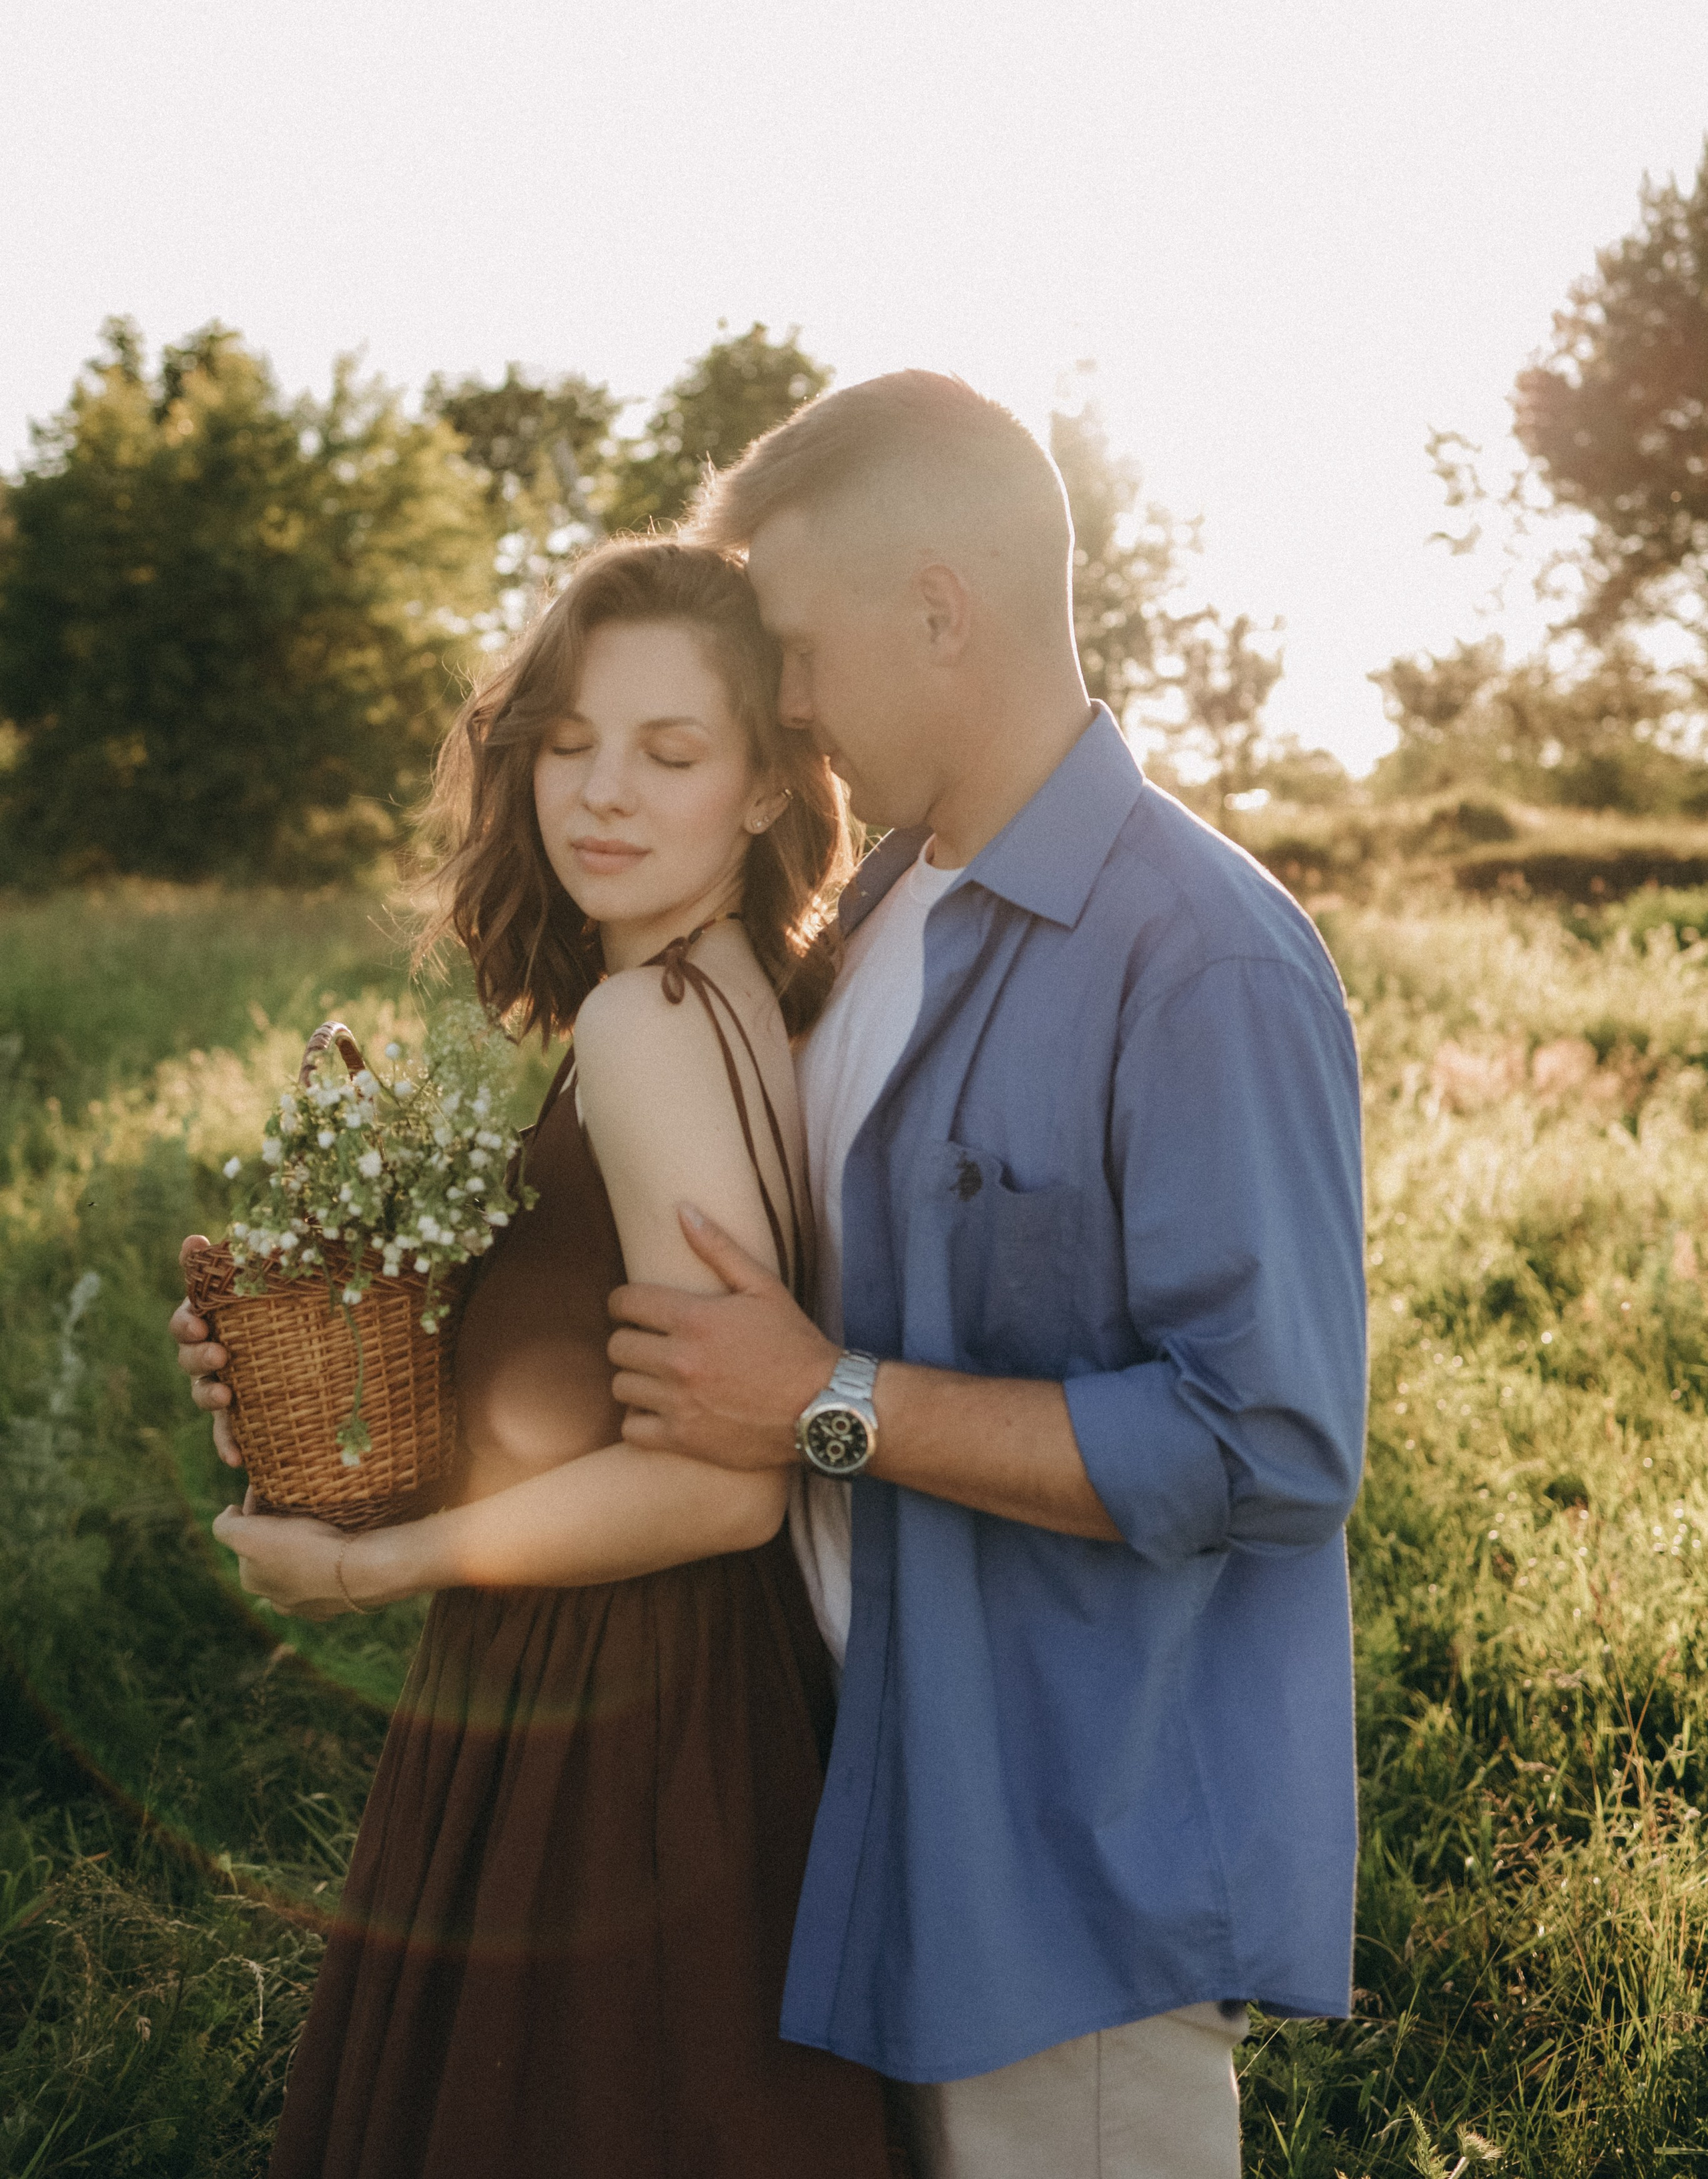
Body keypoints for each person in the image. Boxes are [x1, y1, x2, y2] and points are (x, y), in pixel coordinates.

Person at [603, 372, 1368, 2179]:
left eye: (800, 651)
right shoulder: (876, 910)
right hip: (870, 1806)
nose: (787, 703)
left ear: (940, 613)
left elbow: (1268, 1447)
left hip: (1071, 1867)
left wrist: (828, 1406)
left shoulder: (1201, 958)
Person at [170, 541, 898, 2179]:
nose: (601, 792)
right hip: (654, 1674)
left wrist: (375, 1569)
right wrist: (339, 1371)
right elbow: (601, 1389)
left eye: (669, 752)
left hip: (620, 1704)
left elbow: (719, 1489)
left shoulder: (652, 1027)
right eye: (568, 741)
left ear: (766, 787)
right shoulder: (718, 995)